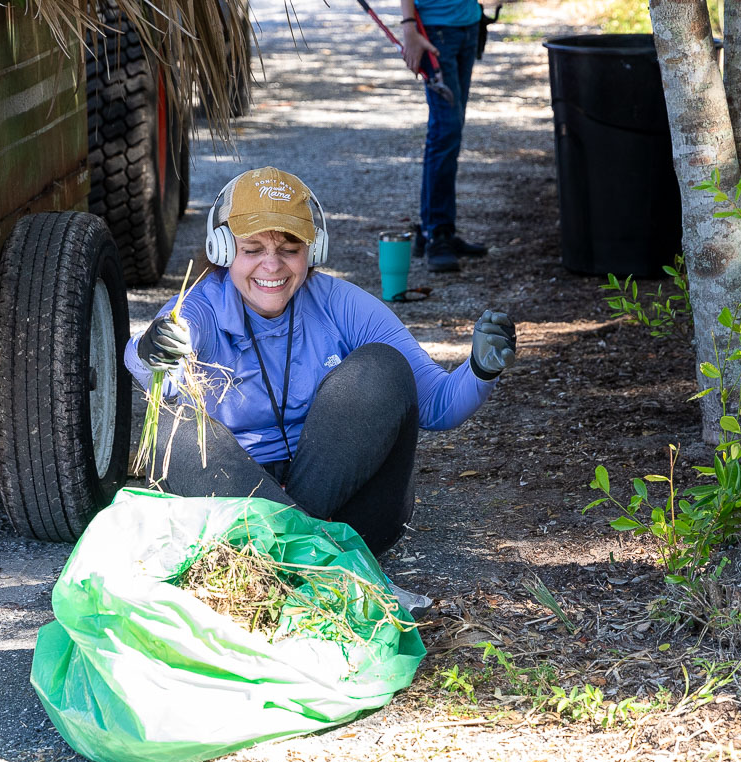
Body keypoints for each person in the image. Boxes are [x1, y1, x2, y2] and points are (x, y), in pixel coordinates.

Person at [125, 167, 517, 556]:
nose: (272, 265)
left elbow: (436, 404)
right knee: (166, 427)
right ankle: (307, 553)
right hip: (235, 498)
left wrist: (481, 370)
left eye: (290, 250)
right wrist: (153, 349)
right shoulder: (202, 306)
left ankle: (282, 549)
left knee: (383, 366)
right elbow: (155, 358)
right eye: (253, 249)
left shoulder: (339, 303)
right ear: (224, 251)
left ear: (313, 252)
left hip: (342, 507)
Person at [400, 0, 490, 272]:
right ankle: (436, 233)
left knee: (450, 130)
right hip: (435, 30)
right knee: (446, 130)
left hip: (469, 24)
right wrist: (409, 29)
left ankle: (437, 230)